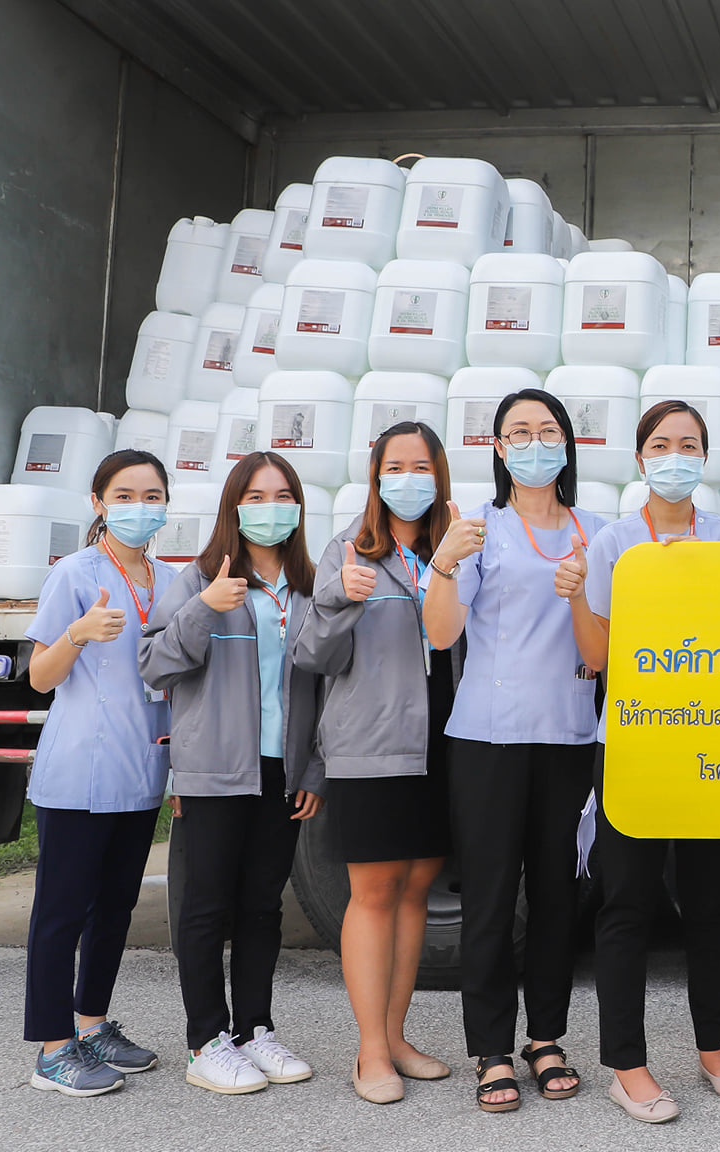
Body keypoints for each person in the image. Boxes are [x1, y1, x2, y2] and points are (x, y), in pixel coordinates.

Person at [420, 388, 608, 1113]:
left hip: (568, 734)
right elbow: (441, 635)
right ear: (498, 448)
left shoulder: (597, 532)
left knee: (559, 896)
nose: (535, 443)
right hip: (489, 738)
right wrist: (442, 564)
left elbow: (606, 643)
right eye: (519, 432)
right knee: (492, 897)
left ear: (567, 444)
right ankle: (492, 1047)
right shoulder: (478, 529)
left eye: (548, 430)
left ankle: (546, 1037)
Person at [575, 400, 720, 1124]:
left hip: (708, 742)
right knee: (627, 903)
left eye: (688, 445)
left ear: (705, 458)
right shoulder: (615, 542)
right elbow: (595, 656)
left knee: (710, 903)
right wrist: (581, 595)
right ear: (639, 457)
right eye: (660, 444)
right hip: (634, 743)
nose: (674, 457)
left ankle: (714, 1049)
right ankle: (628, 1065)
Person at [140, 451, 322, 1096]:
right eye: (256, 497)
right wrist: (206, 607)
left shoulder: (308, 586)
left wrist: (314, 768)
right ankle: (206, 1041)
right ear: (234, 507)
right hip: (215, 769)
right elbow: (154, 664)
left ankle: (254, 1030)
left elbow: (324, 684)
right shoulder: (200, 577)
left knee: (262, 907)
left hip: (282, 769)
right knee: (205, 906)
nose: (271, 509)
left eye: (283, 496)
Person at [292, 422, 459, 1104]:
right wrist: (339, 598)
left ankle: (395, 1036)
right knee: (374, 891)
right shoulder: (349, 551)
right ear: (375, 476)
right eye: (396, 466)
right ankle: (369, 1053)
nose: (409, 479)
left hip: (444, 743)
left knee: (417, 888)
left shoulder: (455, 547)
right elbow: (312, 655)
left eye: (422, 466)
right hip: (372, 743)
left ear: (439, 475)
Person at [21, 449, 177, 1097]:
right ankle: (53, 1048)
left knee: (115, 907)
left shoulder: (171, 580)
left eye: (152, 496)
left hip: (140, 768)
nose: (140, 507)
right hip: (80, 771)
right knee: (62, 912)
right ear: (98, 503)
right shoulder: (75, 574)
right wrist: (78, 633)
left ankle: (92, 1024)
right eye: (125, 495)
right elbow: (39, 677)